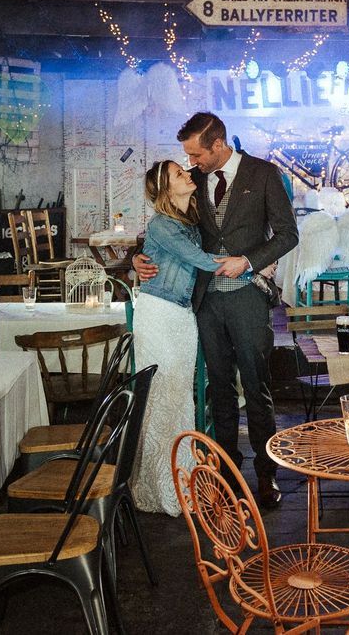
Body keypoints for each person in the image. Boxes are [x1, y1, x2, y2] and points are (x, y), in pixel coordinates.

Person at [133, 112, 298, 508]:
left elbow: (289, 234)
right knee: (219, 392)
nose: (191, 163)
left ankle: (266, 476)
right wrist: (136, 260)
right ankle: (226, 476)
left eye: (196, 154)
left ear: (218, 145)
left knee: (256, 389)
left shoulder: (263, 174)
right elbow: (164, 229)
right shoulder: (195, 182)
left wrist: (250, 260)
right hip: (205, 303)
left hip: (247, 299)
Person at [129, 160, 227, 515]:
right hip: (158, 315)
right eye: (178, 174)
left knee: (180, 400)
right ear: (166, 189)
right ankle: (163, 487)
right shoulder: (162, 224)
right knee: (162, 398)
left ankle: (181, 479)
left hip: (183, 317)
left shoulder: (189, 221)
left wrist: (135, 259)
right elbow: (201, 260)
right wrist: (254, 268)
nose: (187, 175)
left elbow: (151, 252)